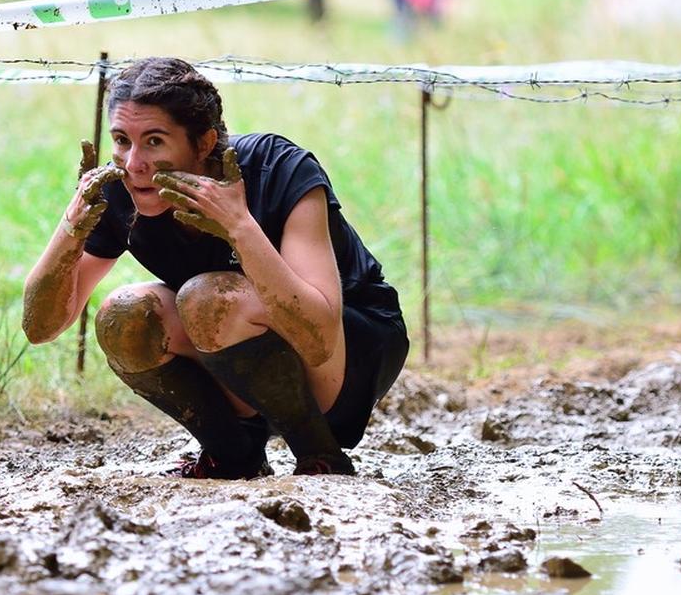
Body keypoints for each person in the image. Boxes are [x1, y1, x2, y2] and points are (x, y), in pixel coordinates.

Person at [22, 57, 408, 478]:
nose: (134, 163)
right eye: (121, 140)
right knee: (124, 316)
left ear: (204, 143)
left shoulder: (276, 167)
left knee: (209, 299)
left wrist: (239, 226)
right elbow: (40, 328)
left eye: (154, 141)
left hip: (350, 350)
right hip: (237, 345)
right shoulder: (123, 189)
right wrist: (71, 226)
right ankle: (231, 454)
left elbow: (319, 338)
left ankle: (320, 455)